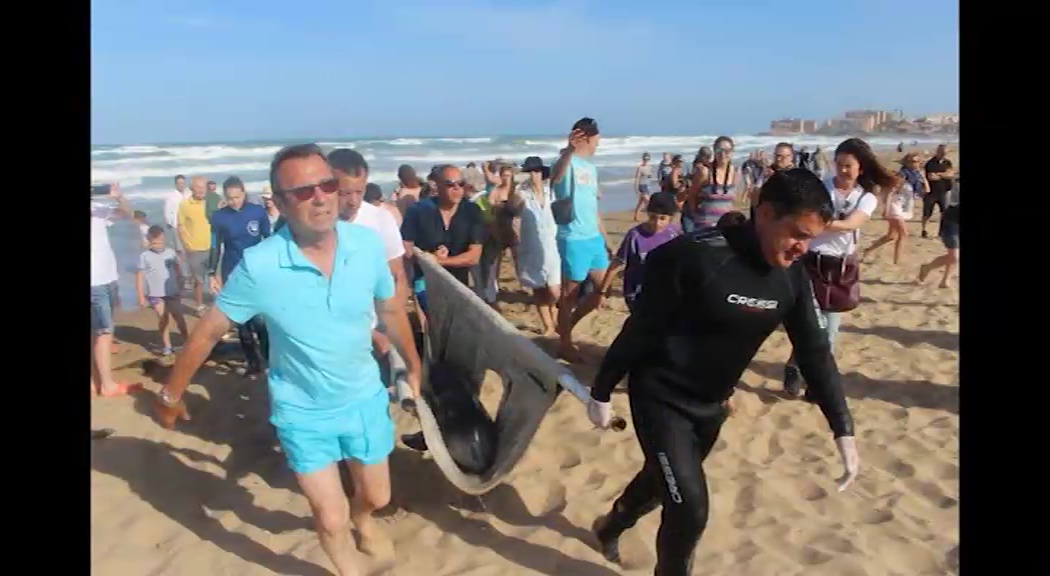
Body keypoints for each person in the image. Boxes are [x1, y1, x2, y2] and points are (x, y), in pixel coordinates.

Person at [153, 144, 422, 576]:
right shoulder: (261, 266)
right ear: (279, 203)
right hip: (302, 410)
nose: (320, 197)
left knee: (376, 497)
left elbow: (390, 309)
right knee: (329, 517)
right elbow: (208, 330)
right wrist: (171, 393)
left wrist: (413, 363)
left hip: (363, 396)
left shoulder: (366, 244)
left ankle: (364, 519)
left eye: (327, 185)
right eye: (302, 191)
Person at [586, 168, 860, 576]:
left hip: (711, 406)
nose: (804, 247)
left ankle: (611, 525)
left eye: (812, 239)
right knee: (690, 508)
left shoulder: (792, 277)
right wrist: (602, 390)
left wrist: (843, 428)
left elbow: (816, 353)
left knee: (665, 482)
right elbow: (641, 329)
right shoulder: (694, 257)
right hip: (660, 396)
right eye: (799, 234)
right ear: (765, 214)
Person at [782, 138, 900, 397]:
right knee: (810, 323)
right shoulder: (821, 188)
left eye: (848, 165)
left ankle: (815, 382)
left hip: (841, 267)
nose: (843, 170)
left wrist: (819, 223)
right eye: (839, 164)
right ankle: (795, 367)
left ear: (860, 168)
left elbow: (852, 224)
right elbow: (805, 215)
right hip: (812, 261)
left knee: (831, 328)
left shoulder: (866, 197)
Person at [328, 148, 411, 357]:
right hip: (328, 333)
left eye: (359, 191)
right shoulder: (314, 225)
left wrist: (392, 328)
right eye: (345, 193)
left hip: (376, 333)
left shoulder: (380, 220)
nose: (354, 201)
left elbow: (397, 277)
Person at [550, 117, 614, 362]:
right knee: (570, 294)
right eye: (597, 138)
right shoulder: (568, 163)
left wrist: (606, 239)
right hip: (573, 238)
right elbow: (554, 179)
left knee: (602, 290)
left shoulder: (591, 168)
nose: (599, 143)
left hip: (593, 237)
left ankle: (567, 326)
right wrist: (568, 151)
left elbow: (594, 208)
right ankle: (564, 344)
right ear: (589, 137)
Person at [400, 164, 486, 314]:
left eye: (461, 184)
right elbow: (405, 247)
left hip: (458, 283)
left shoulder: (472, 211)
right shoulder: (418, 210)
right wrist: (424, 259)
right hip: (426, 280)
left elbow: (474, 257)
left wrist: (437, 261)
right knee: (431, 321)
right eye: (450, 184)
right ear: (437, 186)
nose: (457, 188)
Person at [208, 176, 272, 376]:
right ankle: (254, 364)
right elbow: (215, 246)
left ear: (243, 193)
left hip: (257, 273)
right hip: (232, 272)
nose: (233, 201)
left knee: (261, 320)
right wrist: (211, 273)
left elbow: (268, 242)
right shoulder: (219, 217)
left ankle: (269, 362)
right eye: (229, 198)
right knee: (242, 322)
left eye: (236, 197)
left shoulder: (258, 212)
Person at [91, 183, 140, 398]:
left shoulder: (97, 209)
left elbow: (128, 214)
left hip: (106, 277)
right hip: (96, 280)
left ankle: (94, 382)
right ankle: (107, 385)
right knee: (104, 334)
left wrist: (118, 197)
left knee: (97, 333)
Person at [599, 191, 680, 314]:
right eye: (653, 217)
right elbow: (617, 264)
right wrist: (601, 292)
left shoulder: (674, 234)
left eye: (662, 219)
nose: (657, 223)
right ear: (647, 214)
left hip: (664, 291)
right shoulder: (635, 236)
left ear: (671, 218)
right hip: (637, 293)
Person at [510, 156, 561, 335]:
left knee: (555, 291)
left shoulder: (551, 191)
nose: (533, 175)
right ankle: (548, 325)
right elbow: (512, 206)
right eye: (530, 171)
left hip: (552, 245)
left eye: (537, 171)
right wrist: (512, 181)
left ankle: (552, 310)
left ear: (542, 173)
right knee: (538, 287)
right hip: (531, 246)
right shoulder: (521, 193)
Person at [862, 153, 928, 264]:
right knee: (904, 234)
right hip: (894, 206)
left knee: (891, 236)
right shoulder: (901, 175)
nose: (915, 164)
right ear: (906, 163)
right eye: (912, 161)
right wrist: (886, 209)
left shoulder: (916, 176)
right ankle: (897, 261)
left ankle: (868, 250)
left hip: (904, 206)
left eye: (917, 162)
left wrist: (924, 178)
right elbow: (890, 192)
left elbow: (926, 191)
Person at [135, 225, 190, 356]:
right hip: (155, 294)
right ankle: (167, 345)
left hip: (172, 292)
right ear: (148, 240)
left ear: (164, 238)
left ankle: (187, 342)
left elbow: (178, 270)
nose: (158, 245)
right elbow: (140, 277)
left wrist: (181, 283)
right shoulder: (144, 256)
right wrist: (141, 297)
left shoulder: (171, 253)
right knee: (163, 319)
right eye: (154, 243)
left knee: (179, 318)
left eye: (160, 242)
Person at [177, 176, 214, 313]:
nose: (201, 190)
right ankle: (199, 306)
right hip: (194, 249)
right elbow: (180, 226)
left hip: (213, 247)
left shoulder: (212, 202)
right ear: (191, 188)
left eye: (203, 187)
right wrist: (187, 245)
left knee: (215, 278)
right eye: (198, 187)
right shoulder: (185, 205)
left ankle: (218, 305)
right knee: (198, 281)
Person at [687, 136, 738, 230]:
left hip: (726, 227)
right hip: (705, 226)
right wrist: (695, 216)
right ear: (714, 151)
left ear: (732, 152)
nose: (722, 154)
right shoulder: (705, 171)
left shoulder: (734, 172)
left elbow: (731, 201)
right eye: (719, 150)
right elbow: (692, 196)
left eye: (727, 151)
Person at [918, 177, 960, 288]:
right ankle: (928, 267)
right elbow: (954, 202)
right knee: (954, 256)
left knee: (954, 256)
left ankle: (945, 280)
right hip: (952, 222)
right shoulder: (957, 183)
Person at [921, 144, 954, 238]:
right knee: (927, 213)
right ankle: (924, 229)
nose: (943, 153)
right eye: (941, 151)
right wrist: (944, 174)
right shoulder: (930, 163)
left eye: (945, 152)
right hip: (931, 192)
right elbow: (930, 176)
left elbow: (951, 174)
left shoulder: (947, 162)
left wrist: (939, 175)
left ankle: (941, 231)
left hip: (944, 191)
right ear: (937, 151)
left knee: (944, 213)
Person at [632, 152, 655, 221]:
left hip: (647, 186)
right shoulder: (640, 168)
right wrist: (635, 188)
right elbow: (637, 178)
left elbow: (650, 177)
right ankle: (650, 217)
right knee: (648, 201)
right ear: (643, 159)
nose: (646, 160)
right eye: (645, 159)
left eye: (647, 159)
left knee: (641, 203)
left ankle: (636, 216)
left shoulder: (650, 167)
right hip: (642, 186)